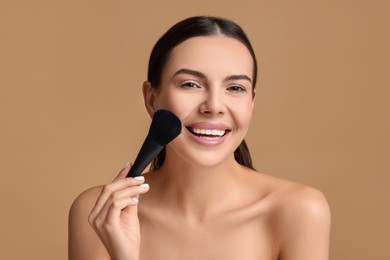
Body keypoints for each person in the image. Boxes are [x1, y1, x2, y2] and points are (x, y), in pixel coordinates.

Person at [68, 16, 331, 260]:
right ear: (151, 99)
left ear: (251, 102)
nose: (214, 106)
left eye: (236, 88)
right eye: (190, 84)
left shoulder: (298, 211)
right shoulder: (98, 213)